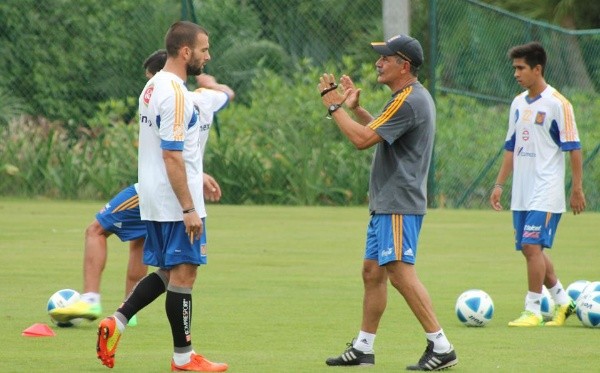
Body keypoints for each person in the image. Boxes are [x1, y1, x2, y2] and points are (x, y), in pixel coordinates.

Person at [48, 50, 227, 328]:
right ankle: (128, 312)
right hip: (181, 187)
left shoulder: (169, 98)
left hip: (160, 190)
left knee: (96, 229)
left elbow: (170, 150)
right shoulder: (203, 99)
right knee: (142, 246)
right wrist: (213, 84)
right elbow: (225, 96)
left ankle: (92, 299)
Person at [96, 21, 231, 372]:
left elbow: (168, 150)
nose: (208, 55)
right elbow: (171, 154)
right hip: (175, 202)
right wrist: (188, 207)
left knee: (169, 273)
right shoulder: (175, 93)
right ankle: (183, 359)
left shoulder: (153, 86)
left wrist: (195, 175)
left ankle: (118, 320)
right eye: (204, 49)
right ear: (185, 52)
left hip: (154, 197)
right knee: (185, 275)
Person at [318, 34, 457, 371]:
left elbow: (362, 140)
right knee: (372, 273)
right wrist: (356, 110)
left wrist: (333, 104)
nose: (378, 63)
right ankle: (364, 348)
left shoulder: (409, 100)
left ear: (404, 65)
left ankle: (441, 346)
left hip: (398, 202)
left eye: (385, 58)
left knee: (399, 272)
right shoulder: (405, 99)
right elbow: (382, 131)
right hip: (388, 202)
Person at [490, 41, 585, 327]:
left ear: (537, 68)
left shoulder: (559, 104)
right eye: (514, 68)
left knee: (532, 248)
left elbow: (574, 148)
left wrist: (576, 188)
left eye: (521, 68)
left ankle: (532, 309)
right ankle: (563, 301)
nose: (516, 74)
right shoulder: (518, 103)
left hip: (547, 189)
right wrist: (499, 185)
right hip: (522, 191)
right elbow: (511, 146)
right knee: (530, 249)